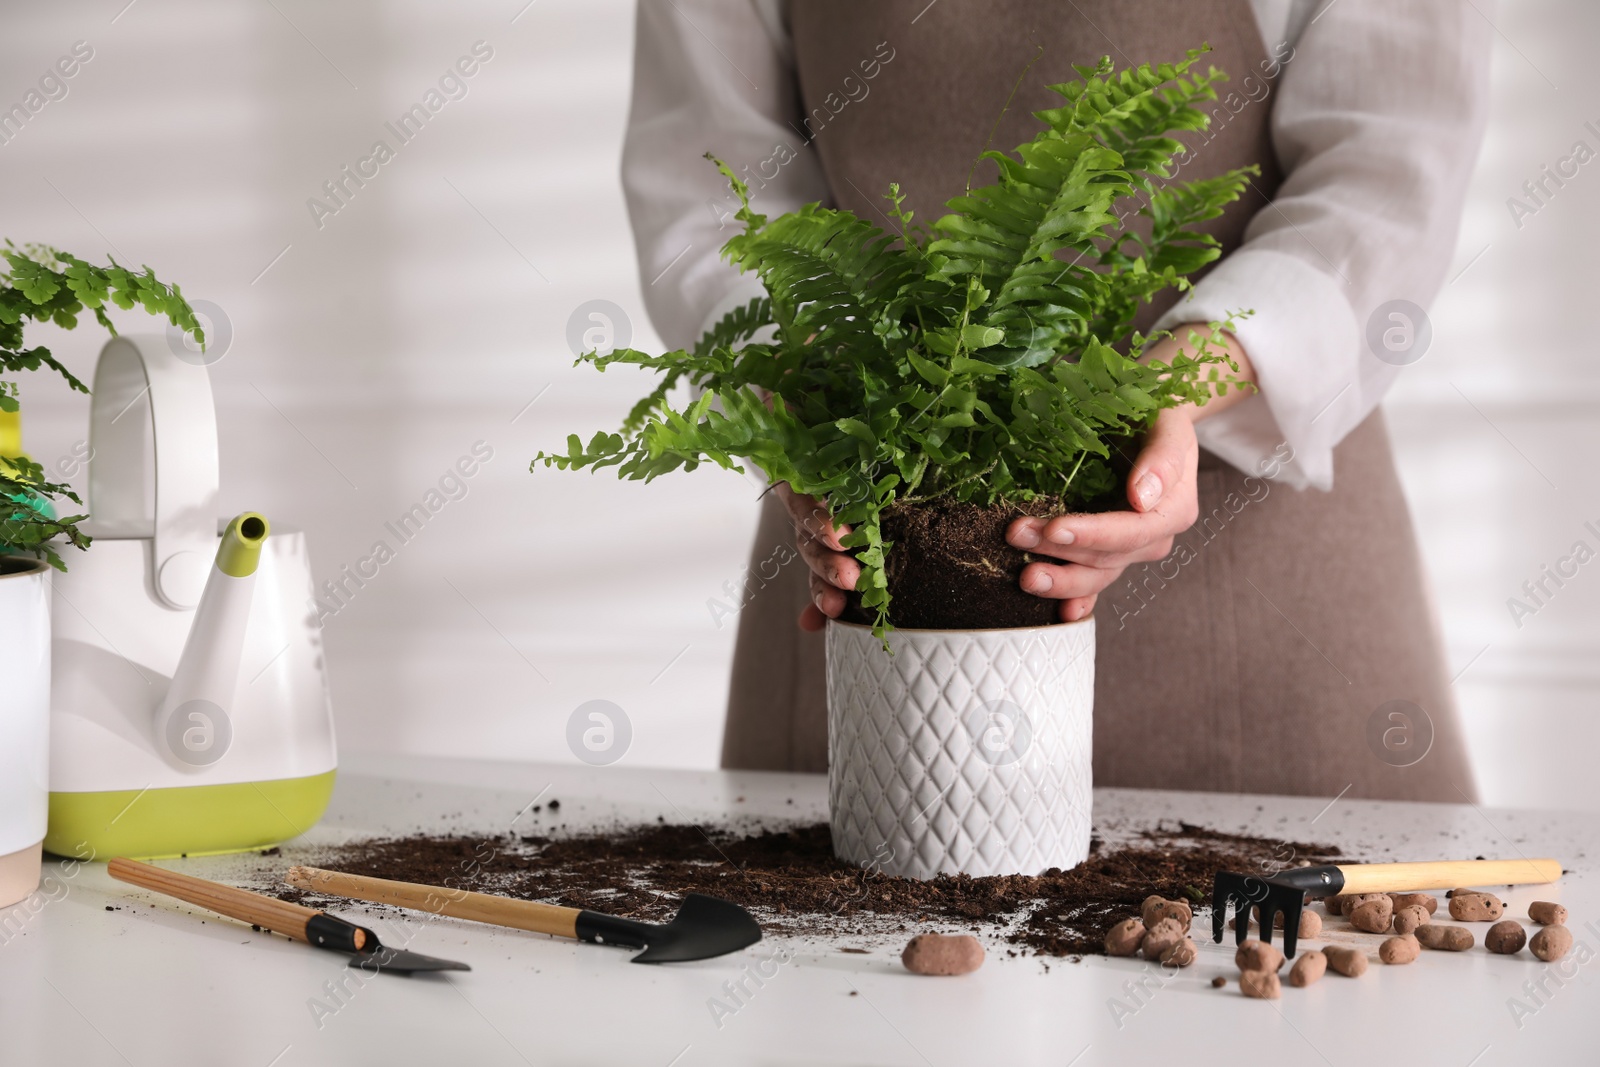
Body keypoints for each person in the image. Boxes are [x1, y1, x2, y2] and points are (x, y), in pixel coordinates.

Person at [621, 0, 1491, 801]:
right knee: (855, 953)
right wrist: (808, 402)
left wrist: (1162, 395)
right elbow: (706, 182)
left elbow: (1391, 169)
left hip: (1267, 603)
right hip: (868, 574)